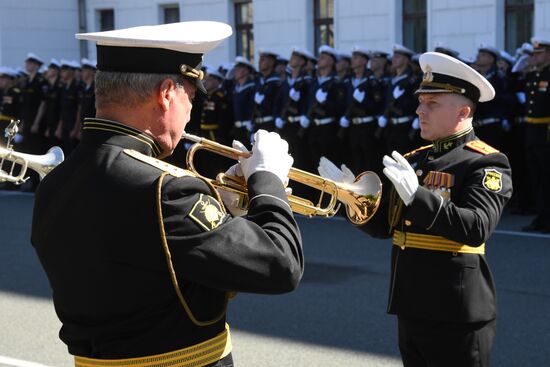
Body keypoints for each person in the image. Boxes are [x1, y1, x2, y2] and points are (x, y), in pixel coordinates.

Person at [31, 21, 303, 367]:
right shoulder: (168, 189)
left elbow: (156, 269)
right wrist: (268, 180)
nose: (191, 113)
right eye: (191, 96)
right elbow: (281, 265)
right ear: (165, 94)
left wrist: (226, 215)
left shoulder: (56, 182)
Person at [319, 52, 512, 367]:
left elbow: (477, 227)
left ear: (464, 111)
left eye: (432, 104)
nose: (420, 109)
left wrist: (418, 196)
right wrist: (350, 198)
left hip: (456, 311)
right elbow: (386, 228)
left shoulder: (486, 161)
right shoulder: (415, 159)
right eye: (421, 101)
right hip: (410, 303)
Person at [520, 38, 550, 233]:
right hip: (532, 131)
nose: (534, 57)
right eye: (533, 54)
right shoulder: (533, 76)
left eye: (538, 53)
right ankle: (541, 217)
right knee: (537, 177)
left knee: (547, 177)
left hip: (546, 132)